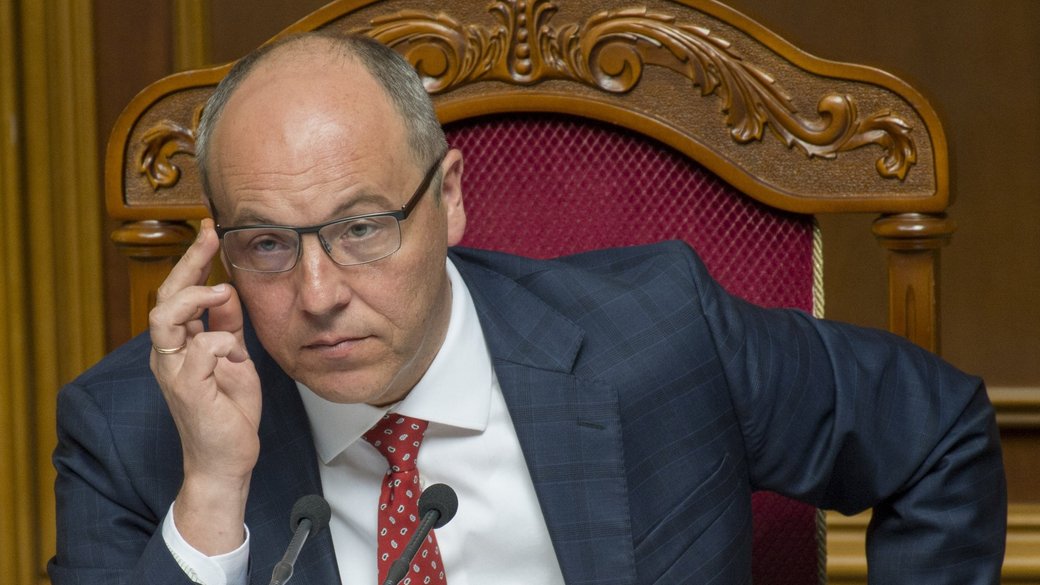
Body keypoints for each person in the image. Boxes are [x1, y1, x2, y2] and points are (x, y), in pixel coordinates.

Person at [49, 31, 1006, 585]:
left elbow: (938, 434)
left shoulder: (659, 336)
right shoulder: (131, 431)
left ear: (449, 198)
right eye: (267, 244)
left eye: (363, 228)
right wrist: (212, 495)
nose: (319, 293)